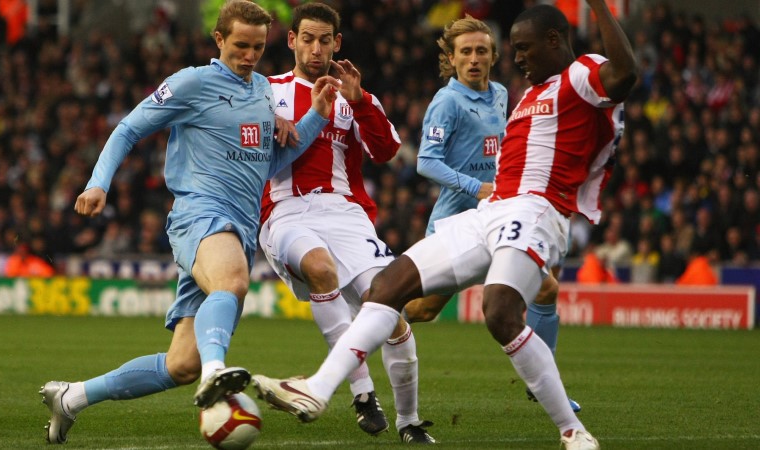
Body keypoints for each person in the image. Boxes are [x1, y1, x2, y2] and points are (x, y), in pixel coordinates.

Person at [253, 2, 636, 449]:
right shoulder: (525, 95)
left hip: (535, 210)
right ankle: (317, 389)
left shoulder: (579, 79)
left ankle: (572, 431)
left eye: (520, 48)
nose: (515, 59)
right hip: (486, 212)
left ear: (555, 41)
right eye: (510, 50)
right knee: (389, 288)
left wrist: (599, 6)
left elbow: (625, 72)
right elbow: (426, 160)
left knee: (500, 311)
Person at [39, 0, 339, 444]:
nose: (250, 55)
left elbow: (271, 161)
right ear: (219, 39)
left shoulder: (260, 91)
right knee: (234, 281)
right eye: (241, 45)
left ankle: (72, 397)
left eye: (258, 47)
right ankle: (216, 375)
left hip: (239, 227)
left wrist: (316, 114)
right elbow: (128, 129)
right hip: (198, 214)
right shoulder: (191, 82)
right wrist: (98, 182)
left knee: (181, 364)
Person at [257, 3, 433, 443]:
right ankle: (362, 392)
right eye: (308, 39)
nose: (316, 49)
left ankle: (410, 422)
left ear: (337, 44)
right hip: (285, 210)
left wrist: (360, 100)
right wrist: (269, 120)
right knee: (319, 267)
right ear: (292, 40)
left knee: (390, 309)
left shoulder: (351, 98)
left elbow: (388, 150)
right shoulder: (265, 90)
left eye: (325, 41)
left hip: (347, 214)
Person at [398, 14, 581, 413]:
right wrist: (474, 186)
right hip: (456, 221)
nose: (475, 58)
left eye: (482, 50)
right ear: (452, 57)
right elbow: (426, 162)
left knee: (547, 289)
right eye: (466, 52)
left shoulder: (500, 94)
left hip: (500, 218)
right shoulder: (446, 101)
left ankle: (543, 381)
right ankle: (372, 314)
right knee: (420, 309)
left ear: (494, 55)